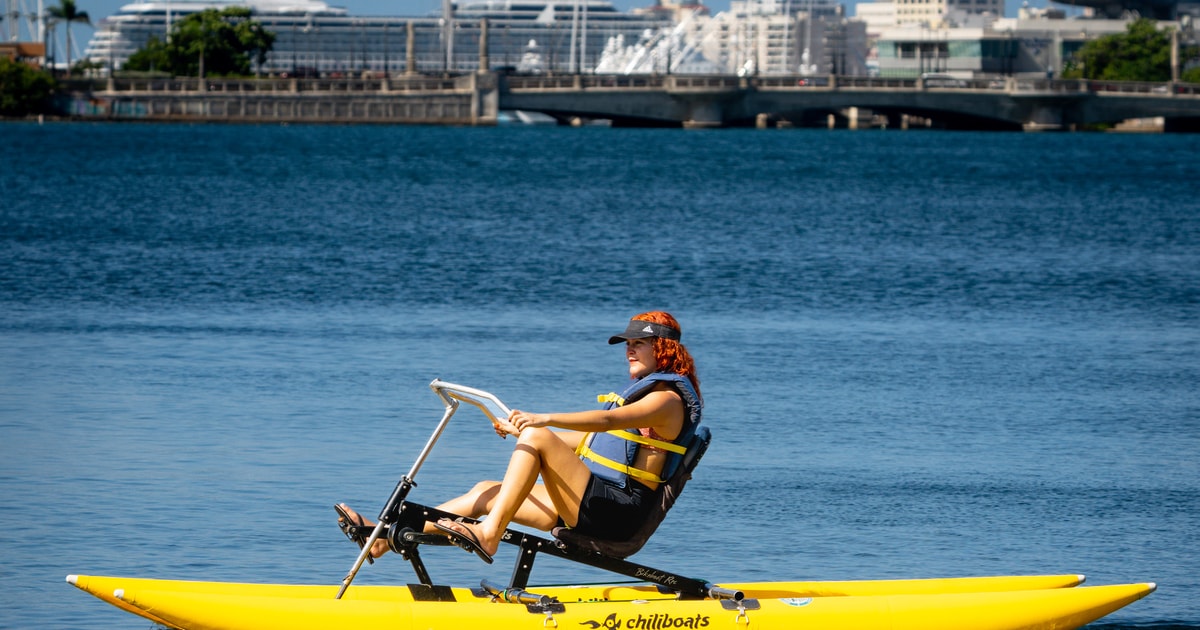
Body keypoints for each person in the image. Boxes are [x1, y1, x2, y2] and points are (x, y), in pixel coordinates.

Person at [336, 310, 703, 564]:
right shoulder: (649, 392)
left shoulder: (667, 401)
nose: (629, 349)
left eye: (638, 343)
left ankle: (489, 535)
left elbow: (607, 420)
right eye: (627, 343)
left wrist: (541, 421)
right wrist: (521, 430)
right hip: (594, 498)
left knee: (539, 438)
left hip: (617, 513)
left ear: (663, 348)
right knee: (484, 492)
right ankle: (382, 539)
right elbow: (585, 444)